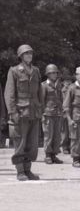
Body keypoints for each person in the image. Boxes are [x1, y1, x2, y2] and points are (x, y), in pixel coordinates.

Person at [4, 44, 43, 181]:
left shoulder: (36, 71)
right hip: (20, 112)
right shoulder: (14, 71)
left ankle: (28, 170)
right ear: (21, 56)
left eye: (30, 53)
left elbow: (39, 92)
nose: (29, 55)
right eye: (26, 53)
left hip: (34, 112)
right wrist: (12, 112)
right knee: (20, 143)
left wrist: (40, 109)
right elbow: (9, 94)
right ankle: (20, 171)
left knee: (32, 144)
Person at [40, 64, 64, 164]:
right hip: (48, 114)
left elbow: (61, 99)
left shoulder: (58, 85)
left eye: (55, 73)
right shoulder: (44, 85)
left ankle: (54, 154)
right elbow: (41, 101)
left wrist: (62, 110)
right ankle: (48, 155)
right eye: (52, 73)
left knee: (57, 136)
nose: (54, 74)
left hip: (57, 114)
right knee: (48, 135)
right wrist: (42, 114)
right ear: (48, 74)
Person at [59, 70, 73, 154]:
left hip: (72, 112)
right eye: (66, 81)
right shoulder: (62, 91)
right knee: (64, 131)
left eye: (69, 81)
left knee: (71, 131)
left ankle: (70, 146)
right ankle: (64, 147)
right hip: (64, 113)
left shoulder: (72, 90)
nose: (68, 82)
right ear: (63, 82)